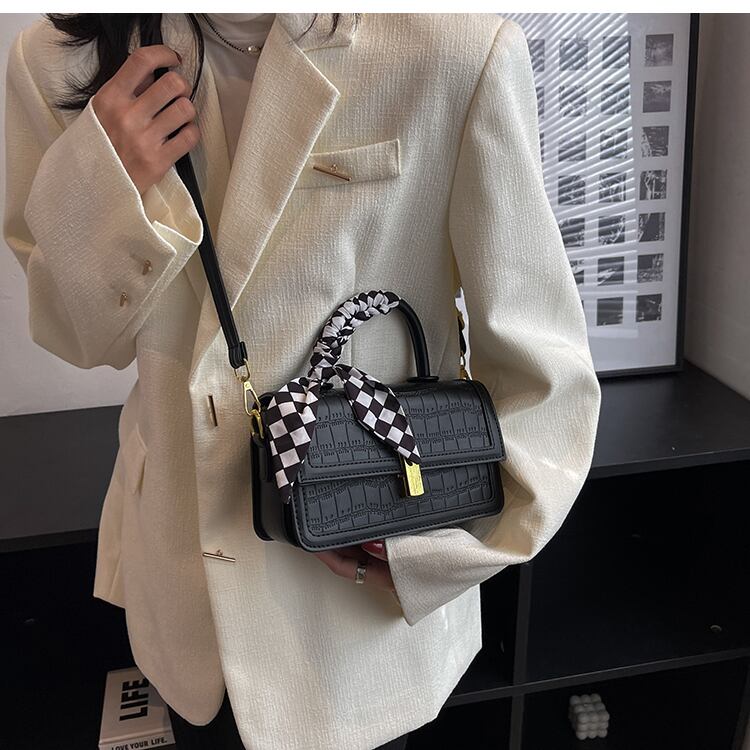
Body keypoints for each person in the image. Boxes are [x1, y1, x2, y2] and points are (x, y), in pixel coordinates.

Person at [3, 12, 602, 750]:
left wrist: (433, 557)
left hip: (358, 601)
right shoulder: (63, 58)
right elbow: (76, 338)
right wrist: (105, 186)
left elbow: (545, 369)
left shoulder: (453, 48)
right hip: (184, 591)